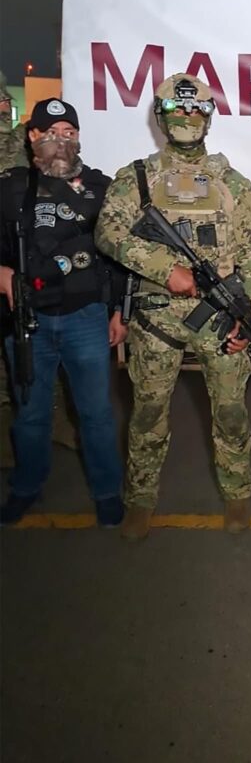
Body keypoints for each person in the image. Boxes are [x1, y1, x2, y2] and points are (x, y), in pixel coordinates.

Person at [95, 74, 251, 540]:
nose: (187, 116)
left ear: (208, 116)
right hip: (156, 319)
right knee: (148, 412)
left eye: (195, 109)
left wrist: (247, 315)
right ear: (161, 116)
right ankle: (140, 498)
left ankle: (237, 491)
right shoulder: (137, 178)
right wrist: (164, 268)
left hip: (220, 317)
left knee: (231, 410)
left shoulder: (233, 183)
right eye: (176, 109)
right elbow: (108, 231)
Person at [0, 97, 126, 526]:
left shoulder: (100, 188)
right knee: (31, 414)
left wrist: (119, 312)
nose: (60, 141)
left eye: (69, 133)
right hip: (27, 320)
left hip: (86, 318)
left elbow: (119, 257)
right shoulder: (10, 187)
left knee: (96, 414)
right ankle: (26, 486)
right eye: (51, 133)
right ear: (32, 135)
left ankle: (107, 492)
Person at [0, 73, 79, 464]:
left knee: (45, 341)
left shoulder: (22, 139)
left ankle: (57, 421)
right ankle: (11, 431)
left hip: (33, 252)